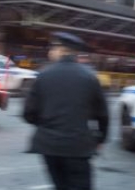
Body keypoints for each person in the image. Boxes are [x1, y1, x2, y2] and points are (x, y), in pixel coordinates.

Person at [23, 31, 109, 190]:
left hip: (49, 146)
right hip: (78, 146)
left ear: (61, 51)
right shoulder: (90, 77)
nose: (50, 52)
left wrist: (46, 125)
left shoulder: (43, 75)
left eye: (52, 48)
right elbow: (102, 114)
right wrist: (100, 139)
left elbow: (28, 113)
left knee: (60, 185)